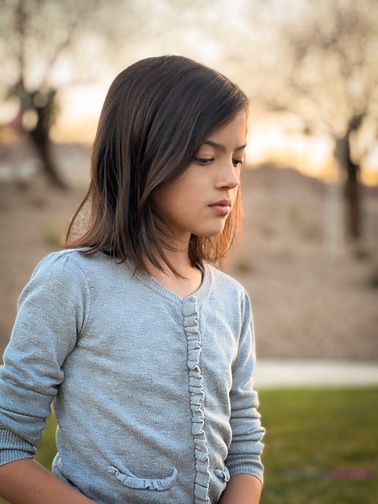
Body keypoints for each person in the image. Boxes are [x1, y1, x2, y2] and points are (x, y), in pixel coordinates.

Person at [0, 55, 265, 504]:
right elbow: (7, 448)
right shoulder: (73, 283)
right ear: (142, 155)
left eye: (237, 160)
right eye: (205, 157)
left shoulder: (232, 300)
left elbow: (244, 449)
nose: (229, 180)